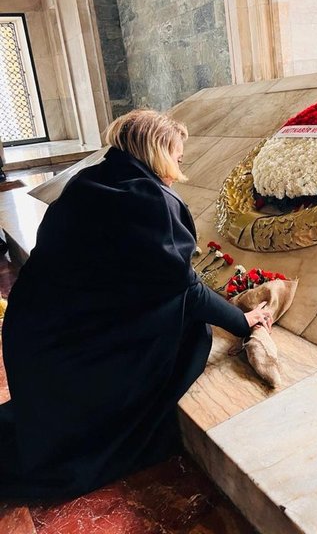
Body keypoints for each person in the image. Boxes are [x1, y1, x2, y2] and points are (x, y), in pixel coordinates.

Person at [0, 109, 273, 501]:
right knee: (192, 330)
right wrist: (243, 321)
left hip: (35, 333)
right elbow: (186, 290)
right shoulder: (151, 200)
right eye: (176, 156)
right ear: (158, 152)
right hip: (72, 350)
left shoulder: (91, 179)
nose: (179, 167)